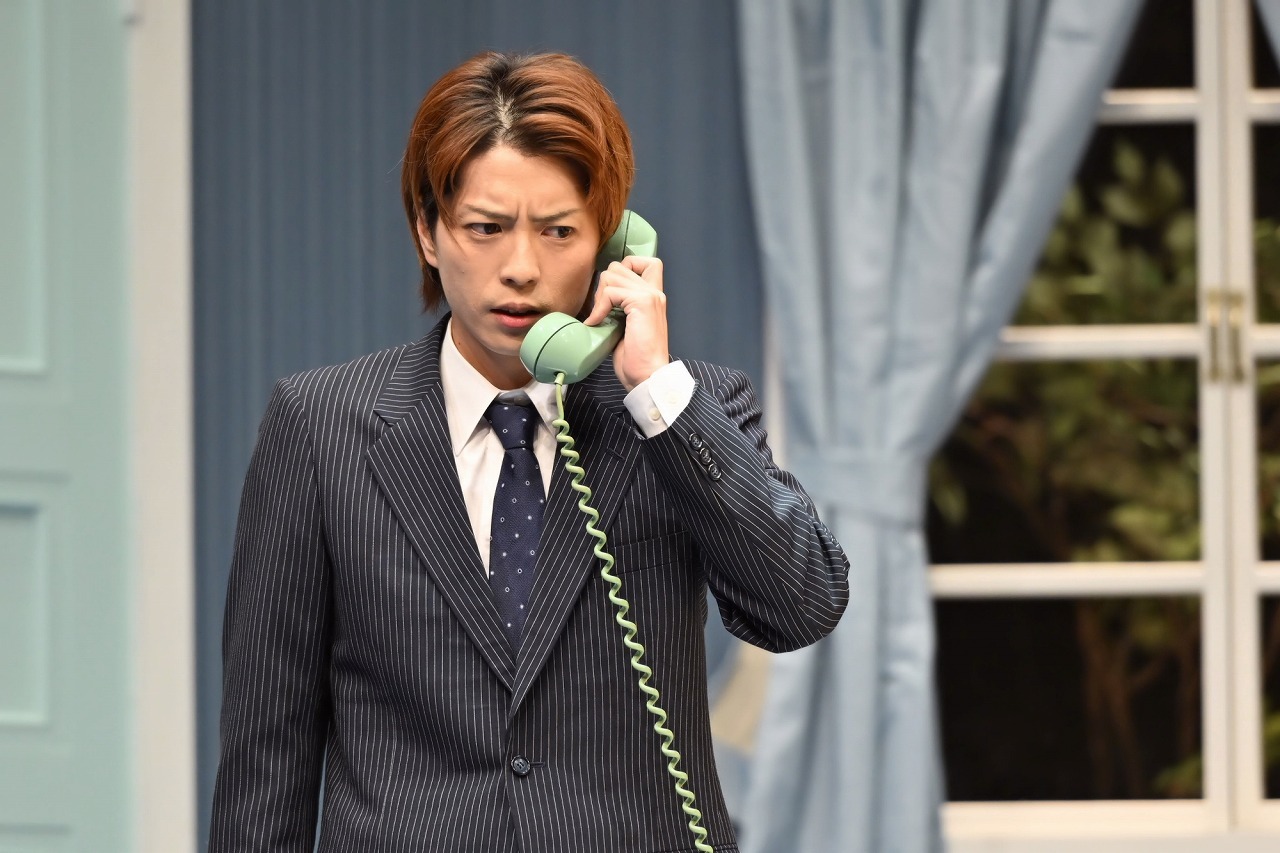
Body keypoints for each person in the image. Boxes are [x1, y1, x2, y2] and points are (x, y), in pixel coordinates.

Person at [208, 51, 849, 853]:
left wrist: (656, 394)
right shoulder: (318, 426)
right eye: (486, 228)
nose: (521, 268)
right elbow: (266, 755)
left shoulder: (688, 410)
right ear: (428, 231)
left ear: (612, 245)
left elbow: (801, 606)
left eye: (558, 232)